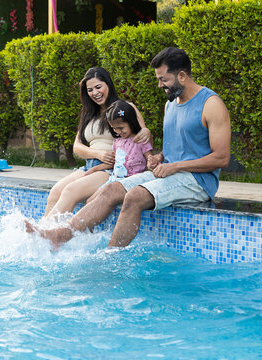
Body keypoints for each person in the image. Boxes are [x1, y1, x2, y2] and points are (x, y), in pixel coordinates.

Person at [26, 47, 231, 249]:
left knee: (134, 196)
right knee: (110, 189)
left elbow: (221, 158)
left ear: (183, 76)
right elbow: (178, 149)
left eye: (163, 79)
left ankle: (110, 257)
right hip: (170, 174)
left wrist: (174, 166)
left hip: (197, 181)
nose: (160, 85)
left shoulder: (211, 104)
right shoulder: (171, 104)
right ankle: (60, 235)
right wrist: (159, 158)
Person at [44, 67, 152, 218]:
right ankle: (40, 233)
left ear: (108, 84)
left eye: (98, 87)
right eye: (90, 89)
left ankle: (50, 234)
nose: (95, 92)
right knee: (55, 192)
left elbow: (143, 139)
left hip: (109, 169)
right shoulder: (89, 114)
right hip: (90, 166)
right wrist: (97, 154)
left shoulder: (124, 108)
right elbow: (77, 146)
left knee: (70, 191)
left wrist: (146, 131)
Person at [84, 100, 153, 188]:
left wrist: (152, 163)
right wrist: (95, 169)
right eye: (114, 128)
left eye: (120, 128)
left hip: (133, 182)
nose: (117, 131)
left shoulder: (140, 140)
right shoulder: (117, 141)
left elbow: (151, 161)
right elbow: (116, 162)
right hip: (115, 179)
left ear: (131, 122)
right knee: (93, 197)